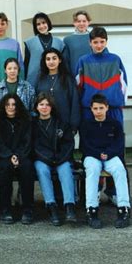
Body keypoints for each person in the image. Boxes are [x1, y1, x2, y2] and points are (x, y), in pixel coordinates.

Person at [80, 94, 131, 229]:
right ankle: (91, 210)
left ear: (107, 108)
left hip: (111, 155)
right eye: (95, 108)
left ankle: (124, 209)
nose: (98, 111)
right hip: (92, 156)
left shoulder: (115, 124)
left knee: (120, 170)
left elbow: (119, 144)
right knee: (92, 170)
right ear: (91, 109)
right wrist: (98, 154)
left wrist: (108, 154)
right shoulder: (86, 125)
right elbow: (84, 145)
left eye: (101, 108)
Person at [32, 92, 76, 226]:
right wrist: (48, 158)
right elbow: (33, 146)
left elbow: (69, 144)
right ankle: (51, 206)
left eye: (47, 105)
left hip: (60, 158)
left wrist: (60, 158)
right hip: (42, 159)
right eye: (41, 104)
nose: (44, 107)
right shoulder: (32, 124)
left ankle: (69, 206)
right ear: (36, 107)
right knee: (41, 169)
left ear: (52, 107)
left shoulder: (61, 123)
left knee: (65, 170)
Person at [0, 94, 34, 224]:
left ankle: (28, 210)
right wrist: (10, 156)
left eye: (14, 104)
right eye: (7, 104)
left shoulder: (25, 120)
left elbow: (27, 141)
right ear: (3, 106)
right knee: (5, 169)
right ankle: (5, 209)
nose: (11, 107)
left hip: (22, 155)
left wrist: (18, 155)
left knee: (27, 168)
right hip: (4, 155)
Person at [76, 26, 128, 125]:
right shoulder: (83, 61)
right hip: (89, 110)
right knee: (90, 139)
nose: (99, 45)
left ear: (106, 42)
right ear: (90, 43)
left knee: (115, 139)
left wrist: (121, 103)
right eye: (95, 42)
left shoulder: (115, 59)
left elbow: (124, 84)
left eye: (102, 42)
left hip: (113, 108)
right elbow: (77, 86)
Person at [35, 48, 80, 133]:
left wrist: (74, 125)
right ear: (44, 61)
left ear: (60, 60)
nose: (51, 62)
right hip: (44, 126)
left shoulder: (68, 79)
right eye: (48, 59)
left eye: (54, 58)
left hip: (64, 124)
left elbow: (74, 102)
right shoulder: (40, 79)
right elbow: (36, 102)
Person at [24, 12, 64, 87]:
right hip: (33, 80)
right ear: (35, 27)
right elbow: (26, 64)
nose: (41, 26)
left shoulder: (59, 43)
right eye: (38, 24)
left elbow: (62, 64)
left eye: (43, 22)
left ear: (48, 23)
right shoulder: (29, 42)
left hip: (55, 80)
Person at [63, 10, 92, 75]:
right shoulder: (68, 40)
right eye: (78, 21)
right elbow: (65, 61)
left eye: (84, 21)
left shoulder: (94, 38)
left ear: (88, 22)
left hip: (92, 76)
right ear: (74, 23)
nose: (81, 23)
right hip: (74, 76)